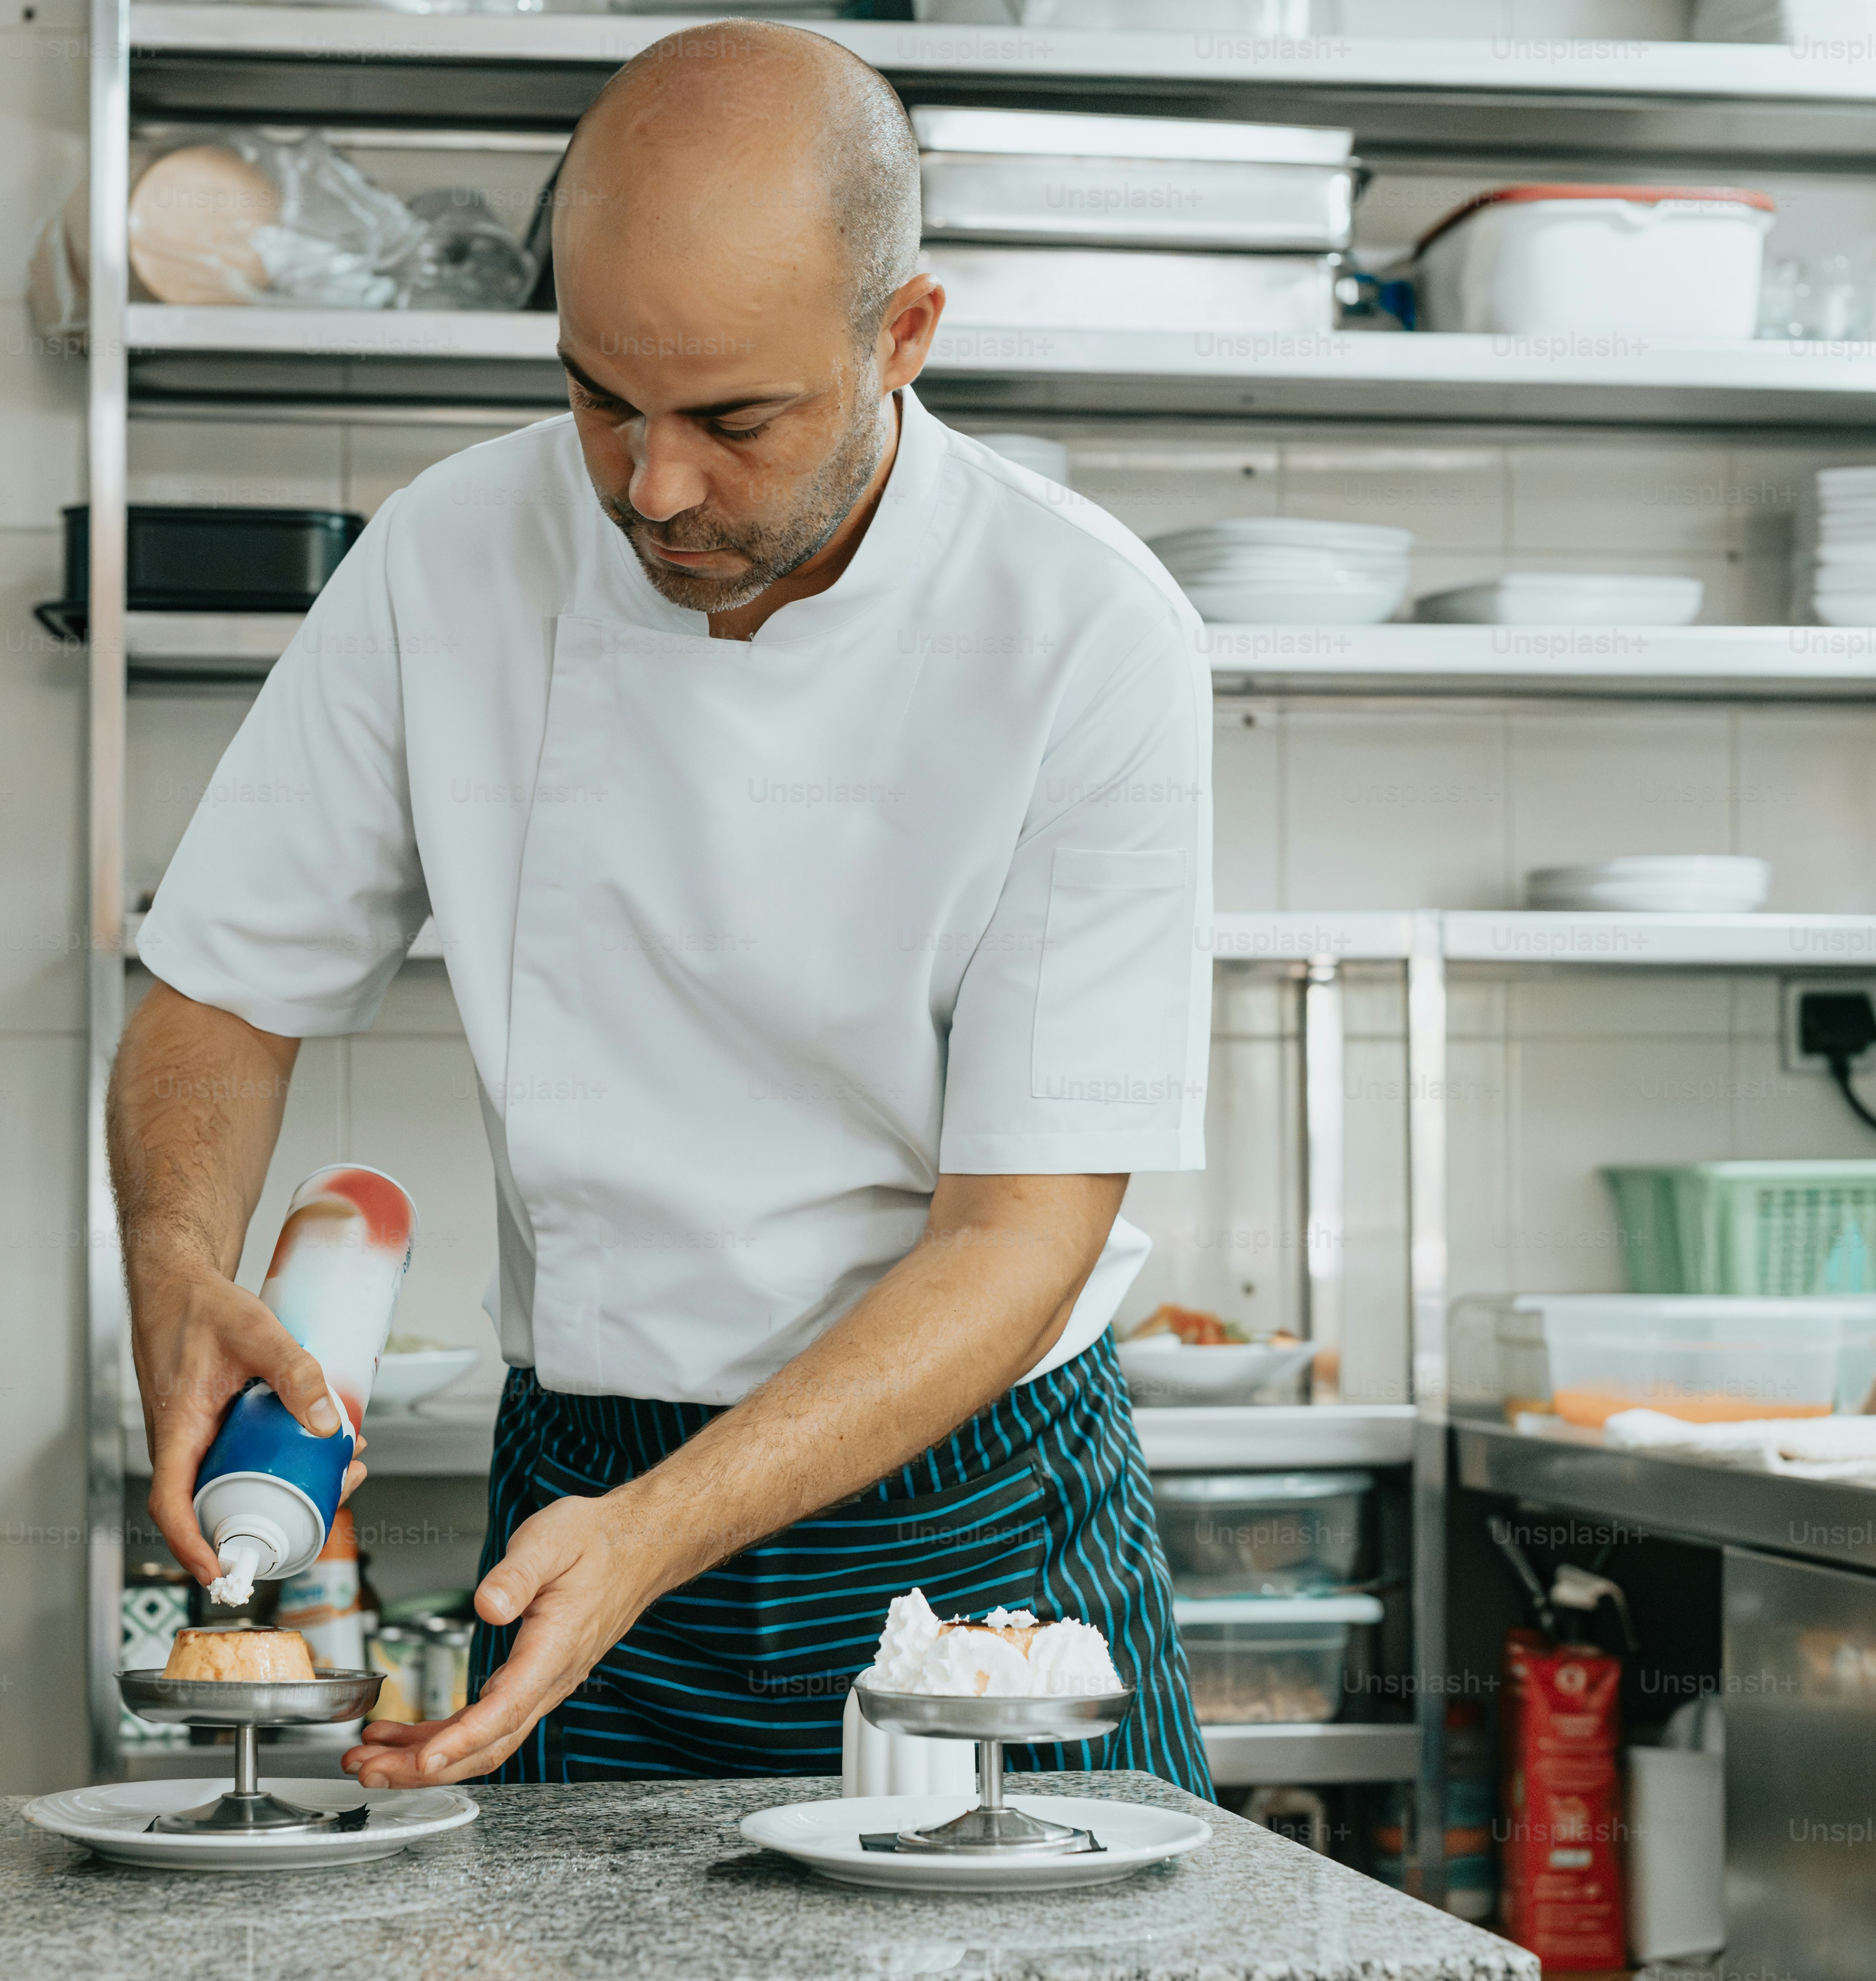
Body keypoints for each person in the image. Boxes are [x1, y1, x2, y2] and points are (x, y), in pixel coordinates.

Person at [112, 18, 1213, 1793]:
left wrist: (662, 1530)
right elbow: (217, 992)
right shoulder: (450, 557)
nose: (653, 485)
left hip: (973, 1511)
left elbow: (1019, 1235)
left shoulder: (1087, 632)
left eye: (735, 418)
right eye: (600, 399)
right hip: (576, 1498)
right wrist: (172, 1262)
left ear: (902, 336)